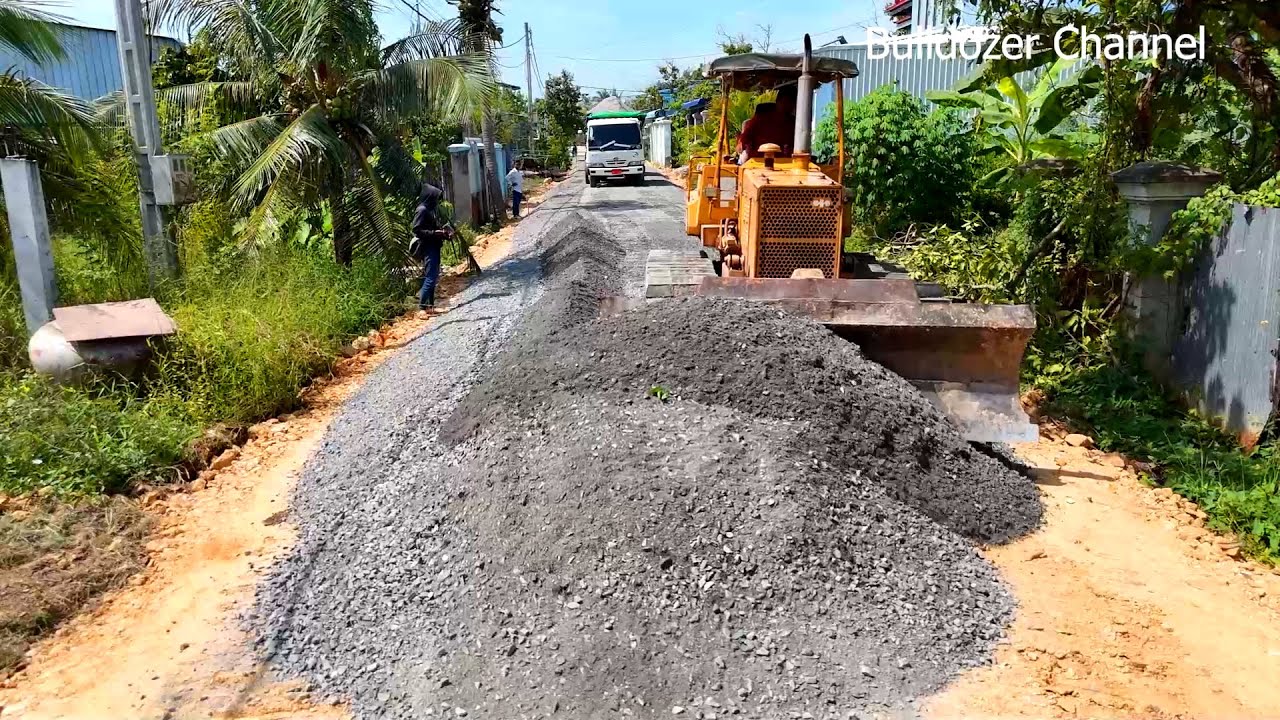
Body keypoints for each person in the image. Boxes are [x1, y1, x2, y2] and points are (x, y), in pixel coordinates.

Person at [411, 182, 452, 314]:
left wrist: (443, 233)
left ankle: (430, 307)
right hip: (428, 246)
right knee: (430, 276)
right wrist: (435, 233)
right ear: (429, 197)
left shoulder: (429, 210)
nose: (436, 201)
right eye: (435, 198)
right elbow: (417, 230)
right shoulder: (422, 210)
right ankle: (422, 307)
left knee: (433, 277)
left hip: (434, 245)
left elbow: (431, 228)